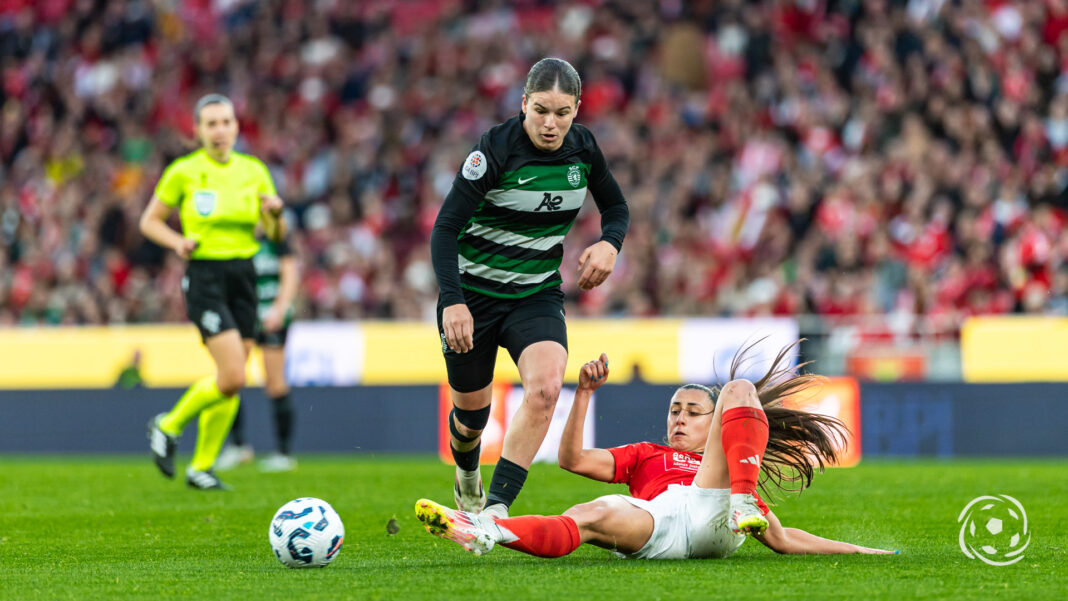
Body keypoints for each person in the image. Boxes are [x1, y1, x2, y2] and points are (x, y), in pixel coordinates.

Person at [415, 343, 896, 559]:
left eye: (692, 411)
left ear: (716, 423)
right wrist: (582, 393)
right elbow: (573, 461)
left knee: (741, 386)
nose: (680, 419)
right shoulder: (647, 453)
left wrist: (860, 550)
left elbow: (786, 539)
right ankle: (485, 533)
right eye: (674, 410)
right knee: (589, 513)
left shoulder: (729, 467)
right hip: (659, 526)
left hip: (715, 510)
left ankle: (741, 504)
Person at [430, 57, 629, 519]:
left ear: (577, 109)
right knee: (471, 420)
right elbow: (444, 230)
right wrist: (453, 302)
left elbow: (616, 206)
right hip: (473, 295)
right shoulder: (494, 151)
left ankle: (495, 512)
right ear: (523, 104)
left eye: (562, 112)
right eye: (541, 110)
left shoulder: (583, 149)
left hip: (534, 294)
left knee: (543, 391)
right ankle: (467, 473)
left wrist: (609, 244)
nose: (550, 123)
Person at [142, 94, 285, 490]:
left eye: (226, 122)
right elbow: (149, 221)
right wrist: (176, 243)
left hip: (244, 275)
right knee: (234, 374)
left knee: (230, 378)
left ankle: (201, 467)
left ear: (237, 126)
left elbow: (274, 234)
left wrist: (275, 214)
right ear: (198, 130)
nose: (220, 130)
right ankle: (168, 425)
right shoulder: (184, 172)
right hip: (205, 275)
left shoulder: (254, 171)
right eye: (211, 123)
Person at [215, 230, 299, 472]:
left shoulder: (277, 240)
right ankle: (238, 446)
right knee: (232, 377)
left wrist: (280, 309)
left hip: (272, 316)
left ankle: (284, 453)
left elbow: (290, 274)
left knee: (274, 382)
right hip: (244, 317)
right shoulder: (238, 238)